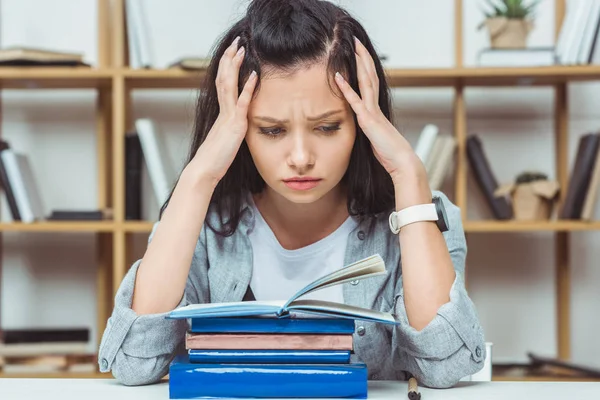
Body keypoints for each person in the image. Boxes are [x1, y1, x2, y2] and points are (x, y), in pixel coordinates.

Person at [98, 0, 486, 389]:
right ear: (237, 129)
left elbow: (443, 366)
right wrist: (199, 176)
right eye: (271, 130)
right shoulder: (201, 223)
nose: (301, 158)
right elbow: (135, 363)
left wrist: (408, 173)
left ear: (363, 123)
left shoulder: (424, 216)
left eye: (328, 127)